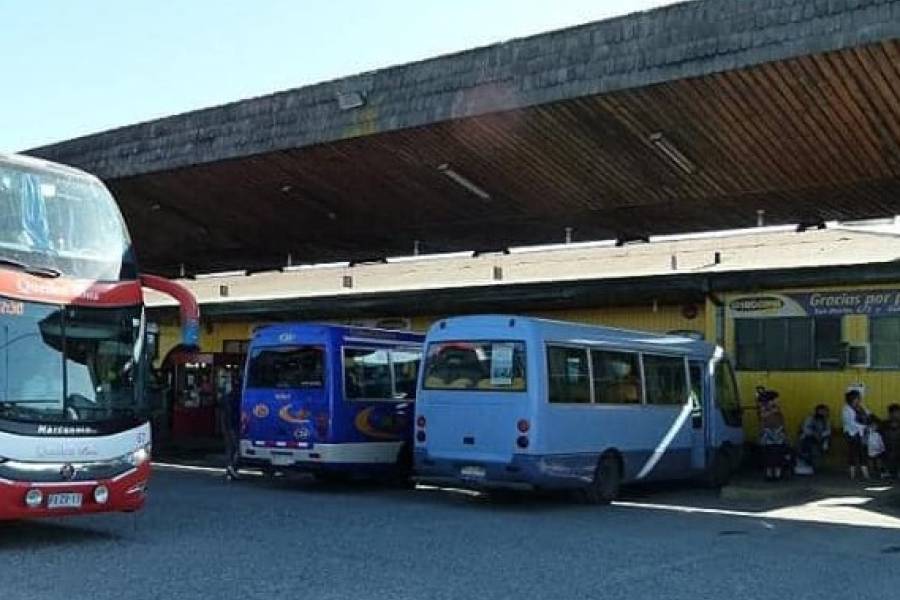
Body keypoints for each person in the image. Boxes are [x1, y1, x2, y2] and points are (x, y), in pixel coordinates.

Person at [758, 388, 789, 481]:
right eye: (776, 399)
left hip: (778, 433)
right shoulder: (764, 408)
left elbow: (781, 421)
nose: (777, 400)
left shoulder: (777, 408)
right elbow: (763, 418)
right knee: (769, 454)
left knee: (778, 453)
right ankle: (769, 474)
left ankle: (777, 474)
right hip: (768, 433)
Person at [841, 389, 870, 480]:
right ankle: (852, 474)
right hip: (851, 433)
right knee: (852, 453)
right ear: (851, 399)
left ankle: (865, 473)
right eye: (857, 398)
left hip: (862, 434)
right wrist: (863, 426)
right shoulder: (846, 409)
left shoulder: (861, 407)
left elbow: (869, 414)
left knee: (863, 452)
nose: (859, 400)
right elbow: (850, 422)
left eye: (859, 398)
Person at [796, 404, 831, 475]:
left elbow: (828, 431)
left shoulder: (826, 421)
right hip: (807, 439)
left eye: (825, 412)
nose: (824, 413)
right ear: (817, 411)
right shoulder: (810, 418)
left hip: (820, 440)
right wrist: (814, 434)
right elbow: (806, 429)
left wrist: (822, 436)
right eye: (822, 411)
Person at [882, 404, 900, 479]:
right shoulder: (885, 424)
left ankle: (889, 472)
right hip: (890, 450)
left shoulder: (884, 424)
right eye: (897, 412)